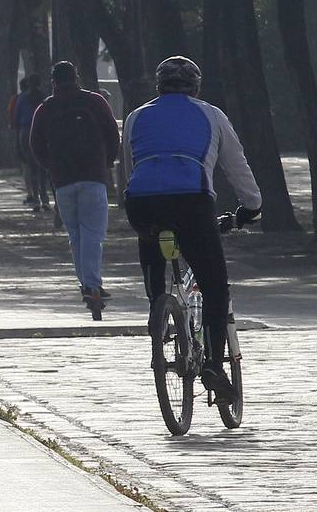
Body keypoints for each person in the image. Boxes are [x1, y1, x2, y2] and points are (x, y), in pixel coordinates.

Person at [123, 56, 259, 404]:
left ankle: (158, 308)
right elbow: (236, 164)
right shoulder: (211, 114)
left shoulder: (137, 116)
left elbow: (130, 165)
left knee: (152, 249)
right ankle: (214, 364)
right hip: (191, 202)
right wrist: (251, 205)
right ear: (197, 87)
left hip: (142, 202)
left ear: (158, 86)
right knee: (214, 285)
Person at [29, 60, 121, 312]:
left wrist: (51, 166)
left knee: (76, 234)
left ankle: (86, 284)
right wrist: (107, 162)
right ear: (77, 78)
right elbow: (112, 133)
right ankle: (92, 285)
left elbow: (35, 144)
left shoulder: (45, 108)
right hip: (93, 175)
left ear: (53, 82)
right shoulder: (95, 102)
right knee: (93, 232)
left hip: (63, 180)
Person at [14, 75, 50, 214]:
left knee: (31, 166)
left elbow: (16, 119)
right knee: (42, 167)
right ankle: (45, 198)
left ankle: (35, 199)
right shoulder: (44, 98)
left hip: (26, 131)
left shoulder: (22, 98)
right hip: (41, 132)